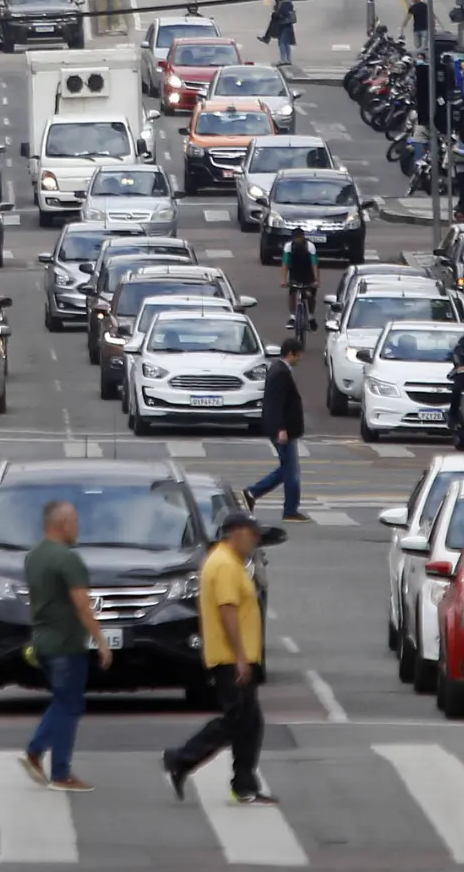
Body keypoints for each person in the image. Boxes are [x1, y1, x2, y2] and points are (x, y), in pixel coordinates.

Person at [162, 511, 275, 806]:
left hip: (235, 657)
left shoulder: (227, 561)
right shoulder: (224, 564)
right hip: (230, 658)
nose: (255, 540)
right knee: (237, 719)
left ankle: (243, 783)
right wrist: (239, 657)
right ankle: (181, 758)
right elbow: (228, 612)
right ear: (236, 532)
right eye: (252, 534)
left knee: (250, 722)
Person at [19, 501, 111, 793]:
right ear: (62, 523)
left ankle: (39, 755)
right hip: (66, 645)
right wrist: (101, 641)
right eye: (75, 521)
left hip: (43, 642)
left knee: (64, 702)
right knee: (69, 706)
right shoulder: (68, 559)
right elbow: (82, 605)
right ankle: (56, 769)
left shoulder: (34, 556)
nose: (78, 527)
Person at [243, 338, 307, 522]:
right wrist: (281, 429)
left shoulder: (279, 370)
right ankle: (289, 510)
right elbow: (276, 404)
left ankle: (252, 493)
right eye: (298, 355)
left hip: (285, 429)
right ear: (290, 354)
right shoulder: (280, 373)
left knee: (287, 470)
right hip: (283, 430)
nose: (300, 359)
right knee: (291, 472)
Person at [281, 228, 318, 330]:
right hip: (295, 273)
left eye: (300, 239)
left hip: (308, 273)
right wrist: (283, 280)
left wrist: (316, 280)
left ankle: (311, 316)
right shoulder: (288, 247)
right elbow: (285, 263)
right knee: (292, 293)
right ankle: (292, 316)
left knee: (310, 295)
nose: (298, 241)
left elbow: (314, 264)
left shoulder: (310, 246)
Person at [274, 0, 296, 66]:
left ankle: (283, 60)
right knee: (286, 43)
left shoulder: (284, 3)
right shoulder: (287, 3)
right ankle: (287, 59)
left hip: (284, 26)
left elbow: (280, 13)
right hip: (287, 26)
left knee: (282, 43)